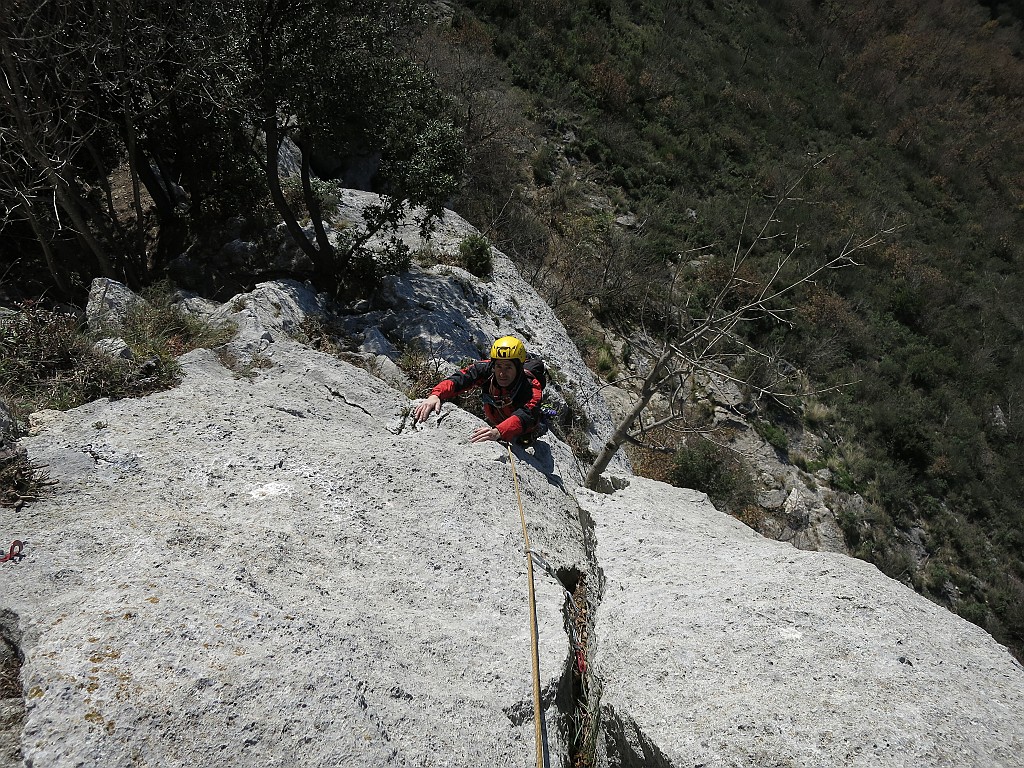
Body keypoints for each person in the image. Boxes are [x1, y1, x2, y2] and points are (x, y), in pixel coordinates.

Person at [413, 335, 544, 445]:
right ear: (493, 365)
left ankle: (540, 427)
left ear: (518, 368)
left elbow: (526, 416)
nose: (502, 373)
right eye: (499, 366)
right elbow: (460, 379)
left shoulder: (531, 387)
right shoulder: (485, 370)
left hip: (521, 426)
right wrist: (436, 395)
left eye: (508, 367)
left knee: (524, 439)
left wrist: (499, 432)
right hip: (496, 419)